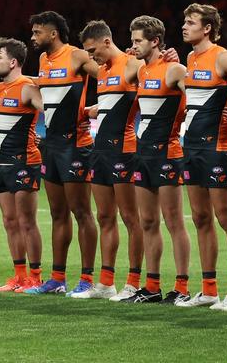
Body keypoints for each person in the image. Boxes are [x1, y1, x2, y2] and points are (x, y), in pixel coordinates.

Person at [175, 3, 227, 310]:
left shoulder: (224, 57)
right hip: (190, 148)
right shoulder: (191, 58)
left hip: (217, 149)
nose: (184, 26)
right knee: (201, 218)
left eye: (190, 22)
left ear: (206, 28)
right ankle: (208, 290)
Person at [25, 10, 101, 296]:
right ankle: (57, 279)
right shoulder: (44, 61)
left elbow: (108, 76)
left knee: (81, 212)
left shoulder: (77, 56)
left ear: (53, 33)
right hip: (52, 145)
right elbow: (47, 86)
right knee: (57, 213)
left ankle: (87, 279)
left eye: (37, 32)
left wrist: (97, 107)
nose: (33, 38)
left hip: (76, 146)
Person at [124, 16, 193, 304]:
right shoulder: (141, 71)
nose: (133, 45)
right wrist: (130, 57)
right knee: (148, 221)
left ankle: (182, 286)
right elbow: (126, 77)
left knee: (174, 221)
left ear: (155, 41)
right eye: (132, 40)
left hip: (168, 154)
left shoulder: (175, 69)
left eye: (138, 40)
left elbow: (199, 97)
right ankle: (152, 287)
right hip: (144, 155)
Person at [79, 20, 144, 301]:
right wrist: (97, 109)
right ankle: (106, 284)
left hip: (124, 151)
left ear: (107, 41)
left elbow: (160, 84)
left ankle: (133, 282)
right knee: (105, 216)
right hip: (100, 151)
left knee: (131, 218)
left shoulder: (132, 64)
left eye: (94, 51)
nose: (92, 57)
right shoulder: (103, 71)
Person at [0, 37, 45, 292]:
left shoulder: (27, 86)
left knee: (26, 221)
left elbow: (47, 108)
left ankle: (35, 277)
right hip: (1, 162)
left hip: (25, 161)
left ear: (13, 62)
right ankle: (19, 277)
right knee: (9, 221)